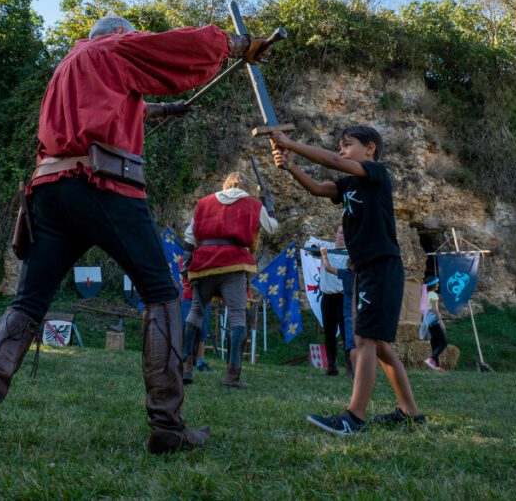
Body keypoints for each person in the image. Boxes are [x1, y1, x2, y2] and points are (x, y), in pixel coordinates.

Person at [0, 14, 274, 456]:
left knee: (26, 304)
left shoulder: (69, 65)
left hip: (49, 190)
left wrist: (163, 109)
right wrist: (239, 44)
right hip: (102, 186)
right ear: (119, 35)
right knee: (161, 293)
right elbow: (186, 46)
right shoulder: (114, 48)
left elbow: (110, 107)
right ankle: (168, 427)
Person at [272, 125, 425, 435]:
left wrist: (292, 143)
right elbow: (317, 188)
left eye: (348, 144)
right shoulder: (349, 185)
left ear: (370, 148)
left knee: (364, 338)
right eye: (339, 145)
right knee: (378, 344)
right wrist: (290, 166)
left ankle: (354, 416)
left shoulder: (377, 173)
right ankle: (410, 412)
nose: (341, 150)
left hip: (381, 266)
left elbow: (332, 161)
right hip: (366, 269)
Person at [182, 170, 279, 388]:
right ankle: (232, 375)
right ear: (246, 186)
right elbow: (272, 228)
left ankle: (185, 367)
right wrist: (269, 205)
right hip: (233, 264)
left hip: (204, 264)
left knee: (196, 312)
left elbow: (190, 237)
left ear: (226, 185)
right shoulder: (253, 204)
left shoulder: (204, 203)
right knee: (237, 316)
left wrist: (187, 264)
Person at [317, 243, 347, 376]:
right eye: (340, 232)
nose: (342, 235)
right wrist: (322, 252)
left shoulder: (350, 250)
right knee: (329, 332)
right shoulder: (328, 246)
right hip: (328, 297)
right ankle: (331, 366)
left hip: (342, 297)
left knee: (347, 333)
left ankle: (350, 367)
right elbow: (312, 244)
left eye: (344, 232)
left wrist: (324, 255)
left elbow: (329, 268)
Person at [179, 275, 213, 374]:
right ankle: (183, 360)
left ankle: (200, 362)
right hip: (188, 295)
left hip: (205, 296)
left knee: (202, 330)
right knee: (185, 329)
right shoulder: (185, 258)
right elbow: (185, 270)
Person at [420, 277, 447, 372]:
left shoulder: (426, 294)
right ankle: (431, 359)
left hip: (428, 323)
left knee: (435, 345)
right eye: (437, 283)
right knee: (443, 343)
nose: (438, 285)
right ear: (433, 285)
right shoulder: (434, 294)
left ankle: (437, 367)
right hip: (434, 322)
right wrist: (442, 322)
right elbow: (435, 310)